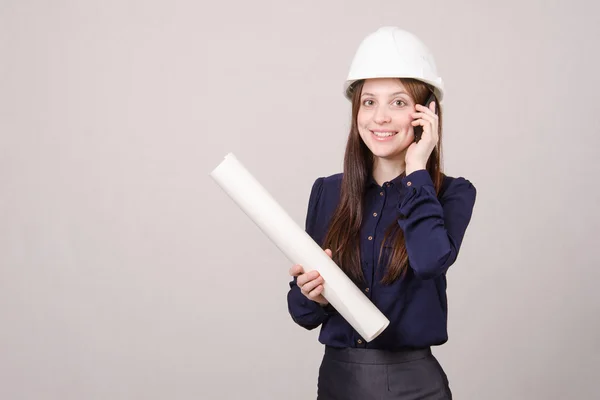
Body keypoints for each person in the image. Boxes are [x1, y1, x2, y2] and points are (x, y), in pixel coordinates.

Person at [286, 27, 477, 399]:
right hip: (339, 381)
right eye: (369, 102)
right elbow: (302, 314)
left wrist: (417, 169)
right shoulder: (328, 191)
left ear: (427, 113)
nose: (380, 117)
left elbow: (428, 261)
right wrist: (313, 296)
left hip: (415, 384)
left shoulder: (452, 192)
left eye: (399, 103)